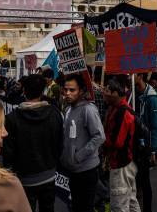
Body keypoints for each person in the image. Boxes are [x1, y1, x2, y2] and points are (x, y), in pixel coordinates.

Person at [3, 75, 64, 212]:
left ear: (24, 91)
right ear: (42, 92)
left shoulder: (12, 119)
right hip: (49, 174)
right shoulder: (54, 114)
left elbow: (8, 152)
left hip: (24, 179)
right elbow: (60, 143)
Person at [60, 73, 105, 212]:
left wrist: (78, 156)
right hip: (73, 171)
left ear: (81, 91)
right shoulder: (68, 109)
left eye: (72, 90)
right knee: (76, 206)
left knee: (85, 208)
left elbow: (99, 136)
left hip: (86, 170)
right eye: (65, 90)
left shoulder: (88, 109)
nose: (67, 93)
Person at [104, 79, 141, 212]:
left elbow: (117, 142)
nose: (104, 93)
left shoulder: (123, 113)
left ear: (115, 93)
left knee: (119, 205)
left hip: (121, 164)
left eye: (107, 90)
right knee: (131, 201)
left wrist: (102, 139)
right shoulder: (116, 109)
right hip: (126, 163)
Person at [134, 73, 157, 212]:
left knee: (145, 181)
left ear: (139, 76)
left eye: (131, 74)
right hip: (134, 144)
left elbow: (155, 126)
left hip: (145, 146)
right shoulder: (132, 94)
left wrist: (153, 150)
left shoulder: (152, 98)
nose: (129, 76)